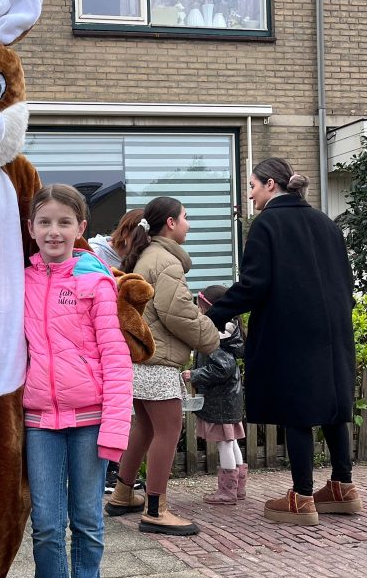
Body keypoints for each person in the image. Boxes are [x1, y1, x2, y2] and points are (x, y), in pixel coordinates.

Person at [204, 158, 362, 524]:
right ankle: (343, 487)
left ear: (271, 184)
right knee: (333, 405)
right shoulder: (325, 222)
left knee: (297, 409)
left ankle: (301, 497)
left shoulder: (267, 224)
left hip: (291, 330)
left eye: (252, 186)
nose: (250, 195)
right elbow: (346, 281)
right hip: (334, 329)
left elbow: (253, 285)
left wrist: (214, 315)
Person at [21, 185, 133, 578]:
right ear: (31, 228)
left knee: (87, 521)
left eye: (64, 222)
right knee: (47, 525)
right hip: (39, 422)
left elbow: (116, 357)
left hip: (90, 420)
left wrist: (115, 430)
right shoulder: (19, 281)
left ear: (81, 228)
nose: (54, 231)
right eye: (45, 222)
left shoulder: (96, 281)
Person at [105, 196, 220, 535]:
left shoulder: (146, 256)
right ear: (170, 223)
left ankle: (123, 494)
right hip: (158, 362)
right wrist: (213, 337)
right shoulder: (165, 261)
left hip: (141, 360)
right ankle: (156, 509)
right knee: (169, 430)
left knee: (144, 427)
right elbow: (178, 313)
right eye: (185, 217)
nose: (188, 224)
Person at [89, 209, 147, 496]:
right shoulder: (95, 253)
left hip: (118, 341)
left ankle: (114, 470)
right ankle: (105, 472)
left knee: (119, 409)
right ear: (125, 232)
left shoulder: (135, 261)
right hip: (94, 340)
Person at [183, 285, 247, 505]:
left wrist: (194, 375)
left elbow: (222, 368)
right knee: (232, 442)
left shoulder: (217, 335)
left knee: (224, 443)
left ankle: (227, 492)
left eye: (200, 307)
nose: (198, 311)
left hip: (221, 400)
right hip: (229, 398)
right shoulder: (230, 333)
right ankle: (238, 488)